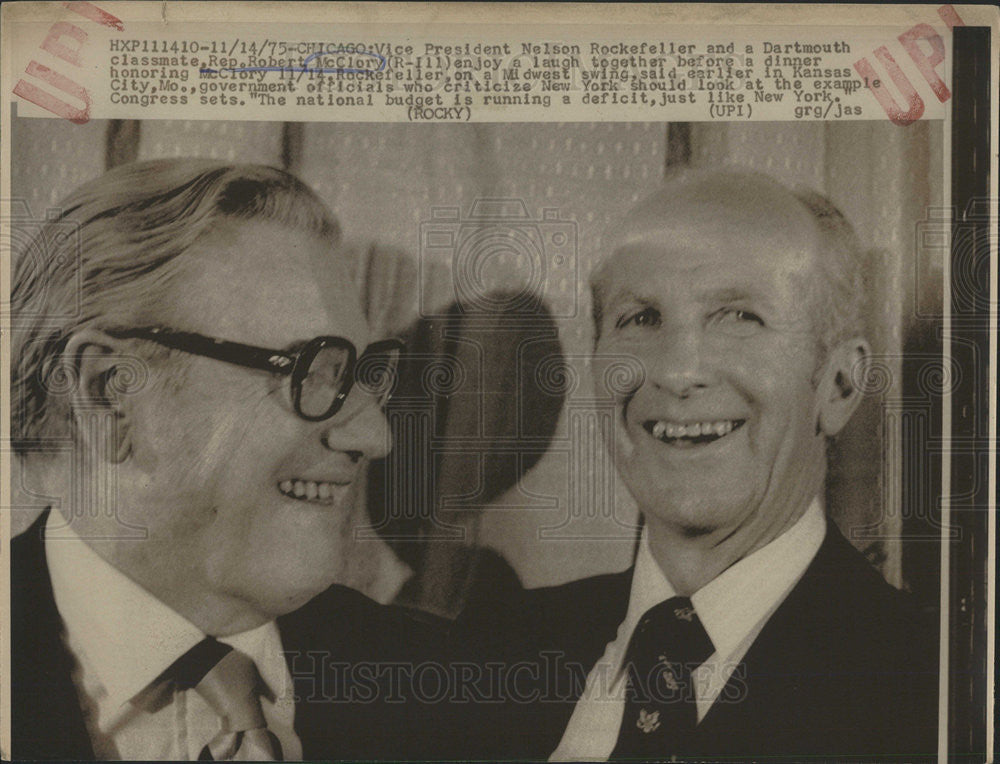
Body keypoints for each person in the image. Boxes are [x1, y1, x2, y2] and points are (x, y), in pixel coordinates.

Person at [452, 170, 938, 760]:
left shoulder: (933, 685)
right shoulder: (493, 651)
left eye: (739, 317)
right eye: (641, 318)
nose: (679, 371)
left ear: (838, 384)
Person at [9, 160, 445, 760]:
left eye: (360, 376)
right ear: (109, 392)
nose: (374, 436)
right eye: (309, 370)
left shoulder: (439, 686)